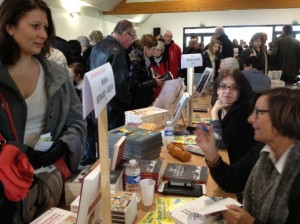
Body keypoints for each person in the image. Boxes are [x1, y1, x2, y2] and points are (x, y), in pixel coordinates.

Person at [0, 0, 86, 222]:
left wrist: (63, 146)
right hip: (6, 189)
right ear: (10, 27)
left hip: (49, 181)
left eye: (46, 28)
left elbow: (77, 120)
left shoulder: (56, 74)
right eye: (35, 26)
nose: (43, 35)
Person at [196, 87, 300, 223]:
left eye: (259, 112)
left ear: (285, 116)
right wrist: (211, 153)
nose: (250, 119)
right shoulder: (264, 150)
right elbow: (232, 181)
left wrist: (250, 222)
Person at [89, 20, 135, 130]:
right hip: (112, 110)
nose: (132, 41)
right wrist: (129, 101)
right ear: (125, 35)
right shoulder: (117, 51)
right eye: (133, 37)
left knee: (101, 144)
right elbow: (119, 83)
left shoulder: (97, 46)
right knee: (113, 145)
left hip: (97, 106)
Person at [210, 68, 256, 163]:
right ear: (217, 89)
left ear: (240, 92)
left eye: (235, 87)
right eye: (223, 86)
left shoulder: (243, 111)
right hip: (226, 156)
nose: (227, 91)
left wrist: (214, 112)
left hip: (237, 165)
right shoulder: (221, 103)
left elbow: (220, 143)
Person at [129, 34, 165, 109]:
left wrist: (154, 79)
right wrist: (154, 82)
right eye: (153, 49)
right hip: (137, 104)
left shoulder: (146, 58)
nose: (154, 52)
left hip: (144, 101)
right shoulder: (135, 61)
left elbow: (144, 77)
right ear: (145, 48)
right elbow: (135, 86)